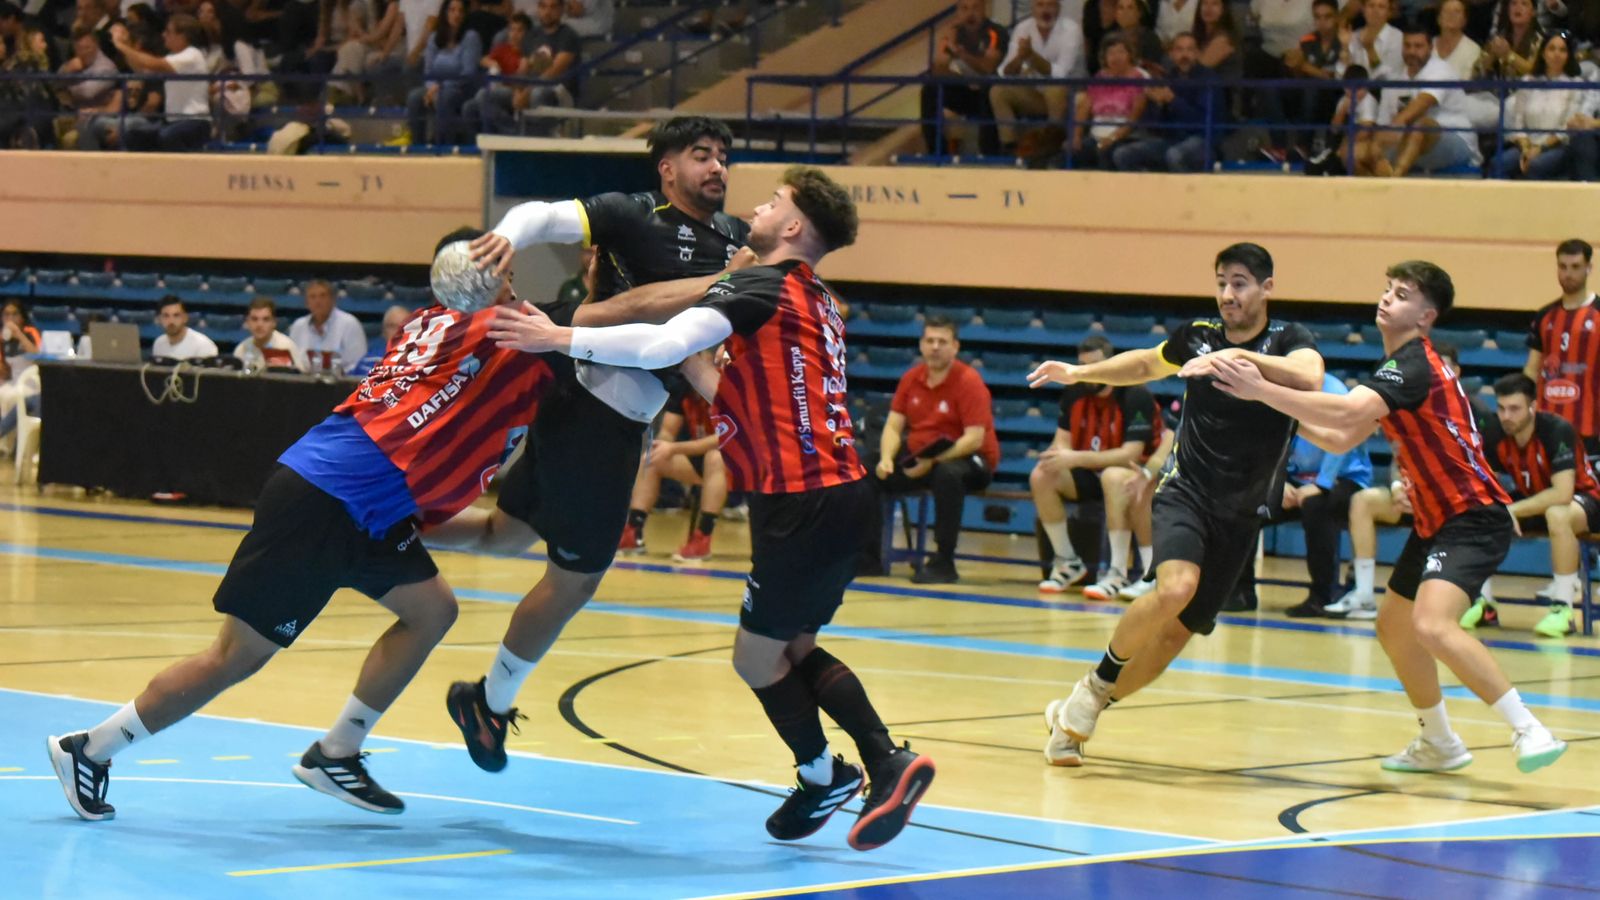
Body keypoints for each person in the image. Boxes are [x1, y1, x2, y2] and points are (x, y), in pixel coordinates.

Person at [487, 165, 936, 854]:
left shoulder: (758, 284)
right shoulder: (817, 300)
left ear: (793, 227)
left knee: (755, 660)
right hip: (841, 495)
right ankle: (836, 773)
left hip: (800, 500)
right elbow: (726, 385)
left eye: (774, 201)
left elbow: (664, 344)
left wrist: (558, 337)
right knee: (793, 647)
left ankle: (874, 762)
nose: (757, 206)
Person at [45, 229, 566, 821]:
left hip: (365, 503)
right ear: (468, 278)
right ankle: (90, 749)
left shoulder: (430, 324)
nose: (512, 286)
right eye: (500, 272)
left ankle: (336, 752)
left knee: (432, 609)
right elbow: (587, 323)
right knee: (235, 657)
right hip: (324, 497)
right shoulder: (490, 327)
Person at [421, 117, 753, 773]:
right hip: (597, 415)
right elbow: (542, 216)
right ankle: (489, 703)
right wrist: (504, 237)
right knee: (574, 584)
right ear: (667, 168)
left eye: (722, 156)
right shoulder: (633, 214)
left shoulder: (736, 237)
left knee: (505, 535)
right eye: (701, 155)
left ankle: (378, 527)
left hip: (600, 413)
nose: (716, 166)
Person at [1209, 260, 1567, 775]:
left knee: (1432, 625)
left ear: (1426, 317)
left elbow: (1347, 413)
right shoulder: (1395, 368)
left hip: (1472, 516)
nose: (1386, 298)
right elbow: (1340, 437)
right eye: (1387, 289)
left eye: (1401, 295)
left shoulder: (1413, 365)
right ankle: (1439, 742)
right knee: (1395, 627)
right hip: (1435, 521)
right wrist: (1272, 409)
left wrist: (1261, 389)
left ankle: (1529, 728)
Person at [1028, 243, 1322, 767]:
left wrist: (1238, 360)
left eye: (1240, 283)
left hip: (1241, 512)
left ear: (1266, 288)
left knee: (1171, 641)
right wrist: (1078, 373)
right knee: (1175, 588)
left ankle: (1076, 710)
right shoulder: (1198, 335)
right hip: (1186, 490)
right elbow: (1146, 361)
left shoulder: (1288, 339)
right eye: (1222, 282)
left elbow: (1309, 377)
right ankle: (1093, 688)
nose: (1228, 294)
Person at [864, 316, 999, 584]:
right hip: (923, 455)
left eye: (942, 342)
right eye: (930, 341)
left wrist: (932, 462)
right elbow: (893, 426)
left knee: (947, 474)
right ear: (921, 344)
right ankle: (868, 557)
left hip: (969, 459)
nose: (935, 347)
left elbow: (974, 439)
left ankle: (944, 561)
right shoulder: (911, 378)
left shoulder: (969, 381)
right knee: (865, 468)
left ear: (955, 347)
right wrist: (887, 459)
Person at [1033, 334, 1165, 600]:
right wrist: (1058, 456)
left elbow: (1130, 454)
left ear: (1109, 364)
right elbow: (1061, 444)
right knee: (1042, 475)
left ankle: (1117, 572)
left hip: (1138, 473)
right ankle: (1068, 562)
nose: (1088, 372)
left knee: (1113, 477)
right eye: (1082, 365)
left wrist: (1075, 458)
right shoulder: (1074, 392)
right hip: (1091, 472)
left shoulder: (1134, 394)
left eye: (1094, 365)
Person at [1473, 373, 1595, 637]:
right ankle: (1483, 603)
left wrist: (1512, 510)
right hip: (1537, 498)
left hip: (1586, 500)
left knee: (1557, 514)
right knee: (1479, 512)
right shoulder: (1495, 432)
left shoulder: (1556, 430)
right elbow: (1483, 483)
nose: (1506, 416)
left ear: (1533, 406)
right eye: (1501, 408)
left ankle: (1563, 609)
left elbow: (1562, 493)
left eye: (1514, 409)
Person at [1280, 373, 1374, 618]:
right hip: (1296, 477)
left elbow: (1341, 441)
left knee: (1316, 506)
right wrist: (1277, 482)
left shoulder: (1336, 391)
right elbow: (1269, 440)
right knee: (1253, 502)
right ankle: (1240, 590)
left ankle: (1323, 595)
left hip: (1345, 477)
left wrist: (1322, 484)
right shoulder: (1277, 388)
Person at [1351, 23, 1481, 177]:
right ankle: (1379, 188)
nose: (1412, 51)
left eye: (1418, 46)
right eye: (1407, 46)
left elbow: (1422, 103)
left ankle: (1395, 181)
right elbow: (1384, 124)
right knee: (1354, 152)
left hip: (1456, 139)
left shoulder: (1441, 70)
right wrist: (1375, 145)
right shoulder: (1395, 77)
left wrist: (1393, 128)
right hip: (1406, 141)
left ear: (1430, 48)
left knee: (1420, 126)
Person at [1524, 239, 1599, 455]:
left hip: (1590, 429)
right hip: (1547, 427)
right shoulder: (1544, 315)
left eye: (1575, 267)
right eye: (1563, 266)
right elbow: (1531, 369)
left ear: (1589, 268)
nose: (1568, 274)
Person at [1110, 31, 1217, 171]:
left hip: (1202, 140)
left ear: (1197, 53)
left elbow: (1202, 122)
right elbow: (1154, 127)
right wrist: (1157, 104)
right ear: (1171, 54)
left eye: (1190, 50)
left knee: (1174, 155)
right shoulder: (1167, 78)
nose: (1184, 55)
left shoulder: (1208, 79)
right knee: (1122, 154)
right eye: (1179, 50)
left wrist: (1173, 100)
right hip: (1171, 140)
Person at [989, 0, 1084, 155]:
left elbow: (1061, 74)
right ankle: (1009, 147)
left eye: (1050, 5)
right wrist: (1019, 58)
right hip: (1036, 94)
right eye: (1040, 5)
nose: (1045, 10)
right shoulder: (1023, 28)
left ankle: (1052, 147)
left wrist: (1031, 56)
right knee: (998, 91)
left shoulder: (1071, 29)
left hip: (1069, 96)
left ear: (1059, 8)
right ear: (1033, 9)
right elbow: (1004, 72)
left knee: (1054, 90)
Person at [1490, 30, 1587, 179]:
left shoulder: (1575, 84)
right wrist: (1525, 147)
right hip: (1527, 143)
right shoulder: (1528, 81)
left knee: (1535, 165)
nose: (1557, 54)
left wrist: (1541, 148)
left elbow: (1567, 128)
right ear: (1543, 53)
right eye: (1552, 49)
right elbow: (1518, 121)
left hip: (1557, 146)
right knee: (1498, 163)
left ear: (1568, 56)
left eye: (1562, 50)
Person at [110, 13, 212, 152]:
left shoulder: (192, 55)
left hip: (195, 121)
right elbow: (142, 70)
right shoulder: (173, 57)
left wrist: (121, 45)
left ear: (182, 36)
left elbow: (151, 63)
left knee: (167, 137)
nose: (163, 35)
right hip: (172, 120)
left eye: (168, 32)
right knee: (132, 137)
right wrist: (125, 45)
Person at [919, 0, 1006, 156]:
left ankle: (989, 153)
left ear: (984, 9)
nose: (970, 14)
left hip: (991, 94)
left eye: (975, 8)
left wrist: (962, 55)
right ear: (958, 12)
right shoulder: (954, 33)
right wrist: (948, 43)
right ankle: (936, 153)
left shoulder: (996, 32)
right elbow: (938, 69)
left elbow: (988, 68)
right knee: (930, 89)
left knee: (988, 88)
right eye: (964, 9)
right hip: (966, 91)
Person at [289, 279, 368, 373]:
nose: (318, 301)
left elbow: (358, 364)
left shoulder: (350, 324)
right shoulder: (298, 326)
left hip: (342, 380)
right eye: (312, 297)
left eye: (323, 296)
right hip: (304, 379)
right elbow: (294, 362)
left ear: (333, 300)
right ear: (306, 303)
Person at [234, 297, 311, 372]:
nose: (259, 324)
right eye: (254, 319)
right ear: (247, 322)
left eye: (266, 319)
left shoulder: (285, 347)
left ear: (274, 323)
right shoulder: (241, 349)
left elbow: (299, 377)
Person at [150, 296, 219, 360]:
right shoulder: (158, 344)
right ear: (159, 319)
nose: (171, 321)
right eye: (166, 316)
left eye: (176, 315)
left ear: (185, 318)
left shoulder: (204, 346)